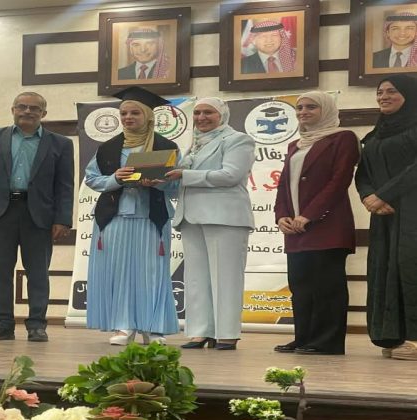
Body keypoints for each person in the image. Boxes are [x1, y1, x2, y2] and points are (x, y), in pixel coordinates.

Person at [0, 91, 74, 342]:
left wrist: (62, 219)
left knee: (38, 272)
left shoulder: (61, 144)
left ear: (43, 113)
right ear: (13, 110)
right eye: (22, 106)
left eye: (34, 108)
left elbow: (65, 185)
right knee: (0, 270)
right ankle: (2, 324)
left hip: (39, 215)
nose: (27, 111)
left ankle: (37, 325)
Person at [84, 86, 180, 345]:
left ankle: (153, 328)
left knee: (152, 272)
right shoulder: (108, 148)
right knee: (120, 272)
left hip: (151, 217)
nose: (128, 118)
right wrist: (115, 178)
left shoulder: (166, 146)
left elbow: (176, 185)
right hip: (115, 218)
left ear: (147, 116)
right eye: (124, 113)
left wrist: (158, 183)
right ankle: (124, 325)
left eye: (134, 113)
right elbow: (92, 179)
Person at [273, 91, 360, 356]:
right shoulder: (295, 145)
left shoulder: (343, 138)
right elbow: (284, 185)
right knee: (301, 286)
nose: (303, 112)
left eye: (311, 107)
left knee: (327, 287)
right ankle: (303, 338)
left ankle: (327, 342)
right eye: (299, 108)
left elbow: (339, 180)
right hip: (295, 229)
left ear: (327, 109)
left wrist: (309, 215)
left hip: (327, 226)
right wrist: (281, 216)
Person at [166, 97, 255, 351]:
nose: (201, 117)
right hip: (191, 216)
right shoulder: (194, 143)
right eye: (197, 113)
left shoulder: (238, 139)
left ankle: (227, 333)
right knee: (196, 278)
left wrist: (185, 174)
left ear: (222, 115)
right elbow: (184, 178)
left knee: (226, 278)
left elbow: (231, 175)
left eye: (208, 112)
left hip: (224, 217)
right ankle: (201, 331)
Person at [355, 74, 417, 361]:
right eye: (380, 92)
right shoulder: (376, 134)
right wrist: (368, 196)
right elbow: (363, 173)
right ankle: (394, 334)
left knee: (411, 269)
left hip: (412, 211)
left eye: (392, 91)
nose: (384, 96)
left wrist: (384, 194)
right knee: (386, 269)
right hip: (384, 215)